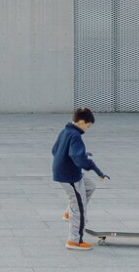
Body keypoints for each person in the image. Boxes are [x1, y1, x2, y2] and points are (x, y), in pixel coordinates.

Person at [51, 107, 109, 250]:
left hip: (64, 172)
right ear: (82, 122)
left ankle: (68, 213)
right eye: (88, 126)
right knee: (79, 208)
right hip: (69, 176)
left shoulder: (65, 131)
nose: (87, 129)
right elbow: (79, 159)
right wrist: (98, 171)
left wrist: (82, 154)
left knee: (89, 187)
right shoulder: (76, 135)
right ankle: (74, 240)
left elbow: (55, 150)